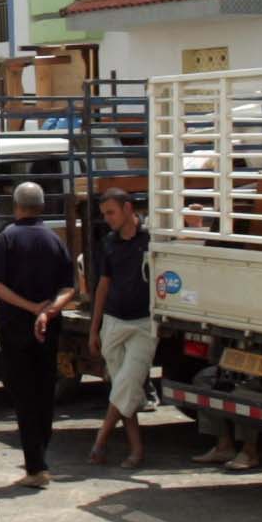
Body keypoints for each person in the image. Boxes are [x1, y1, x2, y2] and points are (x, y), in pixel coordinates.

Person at [0, 180, 76, 489]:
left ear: (16, 206)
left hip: (16, 328)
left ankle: (36, 466)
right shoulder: (54, 240)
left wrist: (30, 308)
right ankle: (40, 456)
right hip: (47, 328)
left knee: (22, 394)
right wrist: (48, 311)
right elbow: (69, 287)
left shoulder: (7, 238)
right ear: (42, 206)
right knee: (44, 392)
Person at [84, 184, 159, 469]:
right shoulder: (110, 243)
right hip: (114, 321)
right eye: (104, 214)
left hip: (143, 324)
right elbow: (103, 285)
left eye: (111, 213)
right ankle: (136, 450)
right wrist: (95, 328)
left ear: (128, 209)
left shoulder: (151, 239)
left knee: (126, 384)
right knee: (123, 387)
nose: (108, 219)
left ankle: (100, 441)